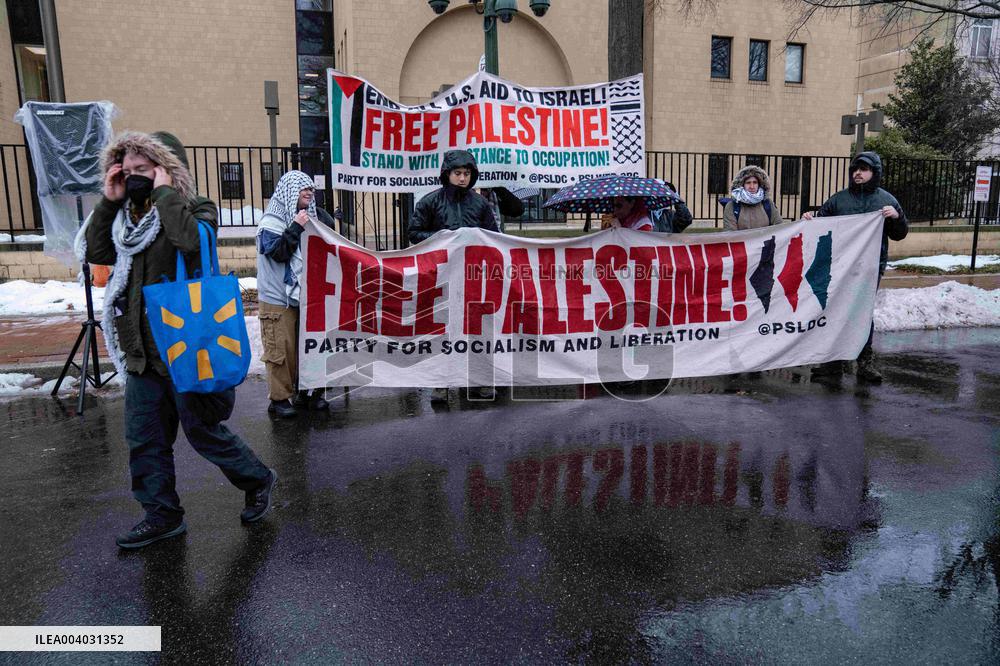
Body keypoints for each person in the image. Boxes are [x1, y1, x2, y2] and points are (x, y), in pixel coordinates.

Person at [82, 131, 276, 549]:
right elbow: (98, 253)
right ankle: (162, 515)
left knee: (202, 431)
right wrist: (110, 200)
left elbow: (190, 242)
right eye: (127, 171)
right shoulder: (125, 219)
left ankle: (258, 479)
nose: (134, 177)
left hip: (186, 346)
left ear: (168, 170)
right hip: (142, 351)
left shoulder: (195, 207)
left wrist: (166, 194)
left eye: (143, 169)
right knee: (145, 439)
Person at [803, 151, 908, 383]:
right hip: (841, 268)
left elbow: (899, 234)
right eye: (855, 169)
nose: (858, 173)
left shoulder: (887, 201)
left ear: (874, 173)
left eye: (864, 169)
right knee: (835, 310)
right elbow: (821, 224)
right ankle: (832, 363)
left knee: (861, 313)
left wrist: (896, 217)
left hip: (870, 268)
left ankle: (865, 363)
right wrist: (811, 219)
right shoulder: (839, 200)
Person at [407, 149, 499, 403]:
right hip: (441, 277)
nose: (462, 178)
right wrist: (443, 238)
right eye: (457, 173)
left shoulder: (480, 204)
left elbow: (494, 237)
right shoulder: (430, 202)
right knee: (443, 329)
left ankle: (480, 380)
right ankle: (442, 382)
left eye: (467, 173)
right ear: (447, 174)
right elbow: (414, 233)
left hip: (473, 277)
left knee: (477, 329)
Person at [257, 170, 338, 417]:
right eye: (304, 188)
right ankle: (280, 399)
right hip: (278, 298)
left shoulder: (310, 217)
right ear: (290, 191)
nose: (310, 192)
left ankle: (308, 392)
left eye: (312, 189)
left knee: (309, 347)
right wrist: (296, 227)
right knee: (281, 350)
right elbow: (278, 253)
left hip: (306, 295)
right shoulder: (271, 222)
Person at [722, 165, 784, 231]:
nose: (752, 186)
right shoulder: (732, 206)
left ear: (759, 184)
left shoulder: (768, 203)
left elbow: (780, 228)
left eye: (755, 182)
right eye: (748, 183)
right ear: (742, 185)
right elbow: (730, 233)